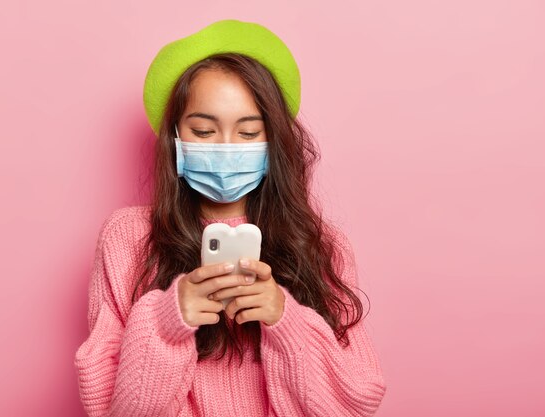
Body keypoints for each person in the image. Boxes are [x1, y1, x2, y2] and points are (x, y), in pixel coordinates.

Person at [74, 19, 386, 417]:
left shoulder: (321, 244)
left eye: (248, 132)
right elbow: (111, 408)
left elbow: (355, 402)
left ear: (275, 142)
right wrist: (169, 320)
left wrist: (283, 319)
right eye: (203, 131)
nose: (225, 148)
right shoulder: (127, 239)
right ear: (176, 139)